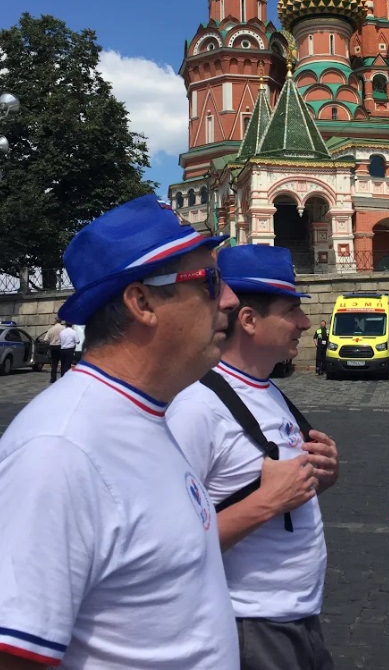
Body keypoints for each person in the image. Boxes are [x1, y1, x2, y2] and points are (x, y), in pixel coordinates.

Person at [0, 194, 241, 669]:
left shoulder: (145, 415)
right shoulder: (60, 451)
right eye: (210, 281)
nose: (230, 298)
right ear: (142, 301)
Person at [167, 244, 339, 670]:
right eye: (291, 311)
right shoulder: (196, 406)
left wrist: (321, 474)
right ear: (248, 320)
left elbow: (283, 485)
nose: (305, 323)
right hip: (250, 624)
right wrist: (268, 503)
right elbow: (169, 545)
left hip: (299, 616)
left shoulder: (270, 390)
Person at [44, 316, 65, 383]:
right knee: (63, 363)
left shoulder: (51, 329)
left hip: (53, 347)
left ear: (55, 321)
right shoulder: (63, 329)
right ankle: (63, 378)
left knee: (54, 364)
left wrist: (50, 342)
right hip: (61, 347)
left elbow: (46, 340)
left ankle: (53, 379)